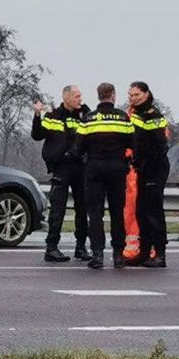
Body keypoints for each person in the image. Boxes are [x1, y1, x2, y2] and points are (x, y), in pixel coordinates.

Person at [73, 83, 135, 269]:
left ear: (98, 96)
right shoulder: (123, 118)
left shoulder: (88, 119)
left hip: (95, 170)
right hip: (117, 170)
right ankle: (118, 255)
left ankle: (98, 255)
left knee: (95, 214)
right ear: (113, 95)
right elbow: (133, 145)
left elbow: (78, 148)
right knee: (117, 213)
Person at [32, 85, 91, 262]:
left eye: (81, 96)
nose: (80, 99)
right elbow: (37, 135)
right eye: (77, 96)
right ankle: (51, 248)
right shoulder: (53, 117)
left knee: (83, 208)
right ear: (66, 98)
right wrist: (37, 115)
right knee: (58, 208)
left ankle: (81, 247)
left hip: (81, 166)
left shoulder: (84, 116)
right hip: (61, 167)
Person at [128, 81, 170, 268]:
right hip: (142, 168)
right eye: (130, 95)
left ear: (146, 94)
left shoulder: (154, 116)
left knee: (154, 211)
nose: (132, 98)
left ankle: (160, 254)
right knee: (141, 210)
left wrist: (144, 162)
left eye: (136, 95)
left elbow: (160, 147)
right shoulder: (135, 114)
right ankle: (144, 252)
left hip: (155, 168)